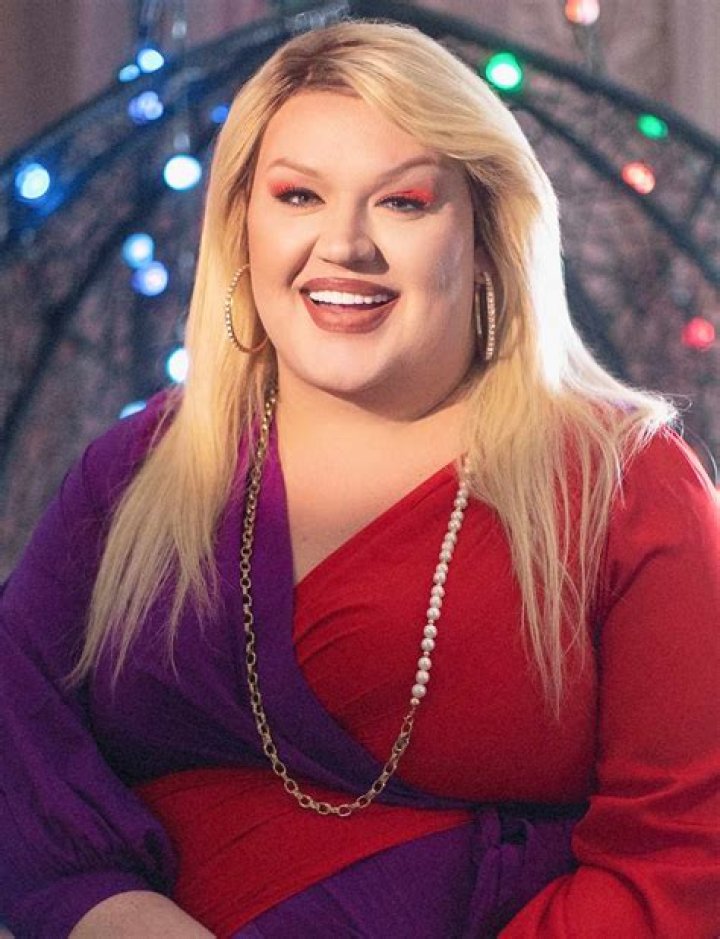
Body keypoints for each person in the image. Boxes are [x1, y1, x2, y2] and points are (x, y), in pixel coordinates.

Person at [1, 19, 718, 939]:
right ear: (242, 226)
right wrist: (115, 915)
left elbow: (685, 862)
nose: (343, 244)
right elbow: (16, 735)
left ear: (486, 234)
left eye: (404, 202)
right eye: (298, 194)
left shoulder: (626, 487)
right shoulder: (133, 472)